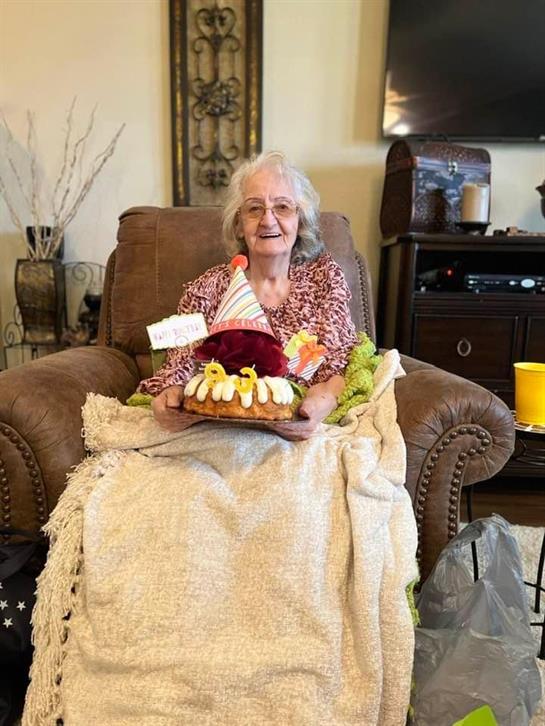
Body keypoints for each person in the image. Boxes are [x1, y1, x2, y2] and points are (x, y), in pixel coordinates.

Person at [138, 151, 358, 439]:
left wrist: (319, 405)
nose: (268, 220)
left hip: (298, 433)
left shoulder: (324, 281)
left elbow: (338, 365)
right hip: (216, 429)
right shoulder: (207, 289)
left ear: (300, 221)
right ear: (239, 224)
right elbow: (178, 362)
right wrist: (171, 397)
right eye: (254, 209)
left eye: (282, 207)